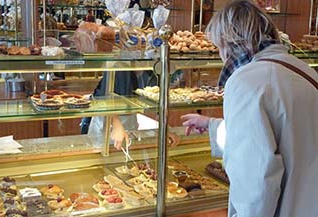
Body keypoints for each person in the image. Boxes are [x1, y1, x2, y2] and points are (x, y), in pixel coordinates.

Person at [181, 1, 318, 217]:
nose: (220, 54)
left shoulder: (247, 80)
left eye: (218, 46)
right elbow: (282, 132)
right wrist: (211, 125)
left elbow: (255, 179)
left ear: (228, 41)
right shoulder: (304, 71)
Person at [81, 70, 180, 149]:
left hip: (129, 120)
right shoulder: (120, 67)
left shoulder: (153, 69)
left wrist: (163, 128)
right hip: (105, 123)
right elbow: (103, 98)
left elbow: (159, 99)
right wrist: (116, 124)